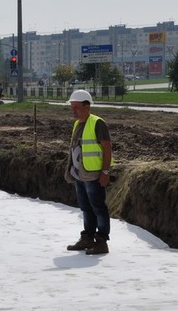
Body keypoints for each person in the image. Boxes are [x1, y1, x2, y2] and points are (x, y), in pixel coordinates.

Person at [65, 89, 114, 255]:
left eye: (76, 107)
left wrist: (105, 172)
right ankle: (87, 238)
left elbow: (107, 148)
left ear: (87, 106)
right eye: (72, 107)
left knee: (98, 208)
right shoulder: (77, 124)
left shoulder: (97, 123)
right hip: (80, 174)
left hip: (94, 175)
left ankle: (101, 242)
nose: (73, 110)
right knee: (86, 208)